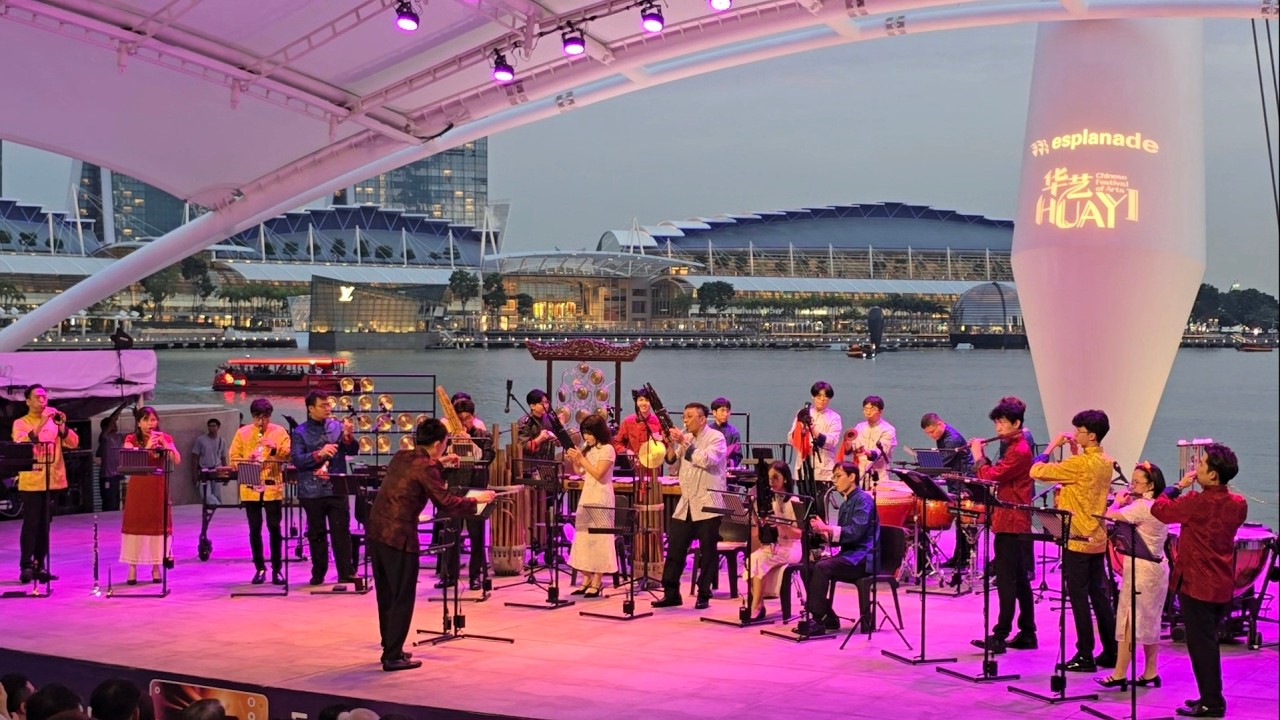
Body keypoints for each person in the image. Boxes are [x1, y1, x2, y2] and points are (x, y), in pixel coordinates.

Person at [367, 418, 495, 672]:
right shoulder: (426, 467)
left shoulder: (402, 455)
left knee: (387, 594)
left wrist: (441, 462)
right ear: (439, 443)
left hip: (377, 532)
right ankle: (392, 657)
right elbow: (446, 502)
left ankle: (390, 646)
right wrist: (477, 499)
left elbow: (420, 467)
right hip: (399, 536)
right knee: (402, 595)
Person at [1150, 443, 1248, 718]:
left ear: (1214, 474)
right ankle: (1209, 696)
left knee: (1201, 647)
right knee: (1208, 643)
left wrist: (1177, 486)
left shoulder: (1197, 502)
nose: (1196, 469)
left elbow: (1160, 509)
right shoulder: (1239, 504)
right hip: (1221, 583)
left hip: (1196, 584)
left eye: (1202, 465)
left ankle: (1212, 703)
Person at [1030, 409, 1117, 671]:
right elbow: (1082, 482)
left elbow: (1037, 470)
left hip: (1076, 537)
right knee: (1098, 595)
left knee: (1078, 597)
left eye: (1079, 431)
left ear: (1091, 435)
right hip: (1097, 537)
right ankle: (1111, 651)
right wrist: (1075, 452)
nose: (1075, 434)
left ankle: (1085, 654)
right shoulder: (1105, 460)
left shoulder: (1079, 464)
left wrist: (1053, 446)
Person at [968, 397, 1036, 654]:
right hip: (1009, 520)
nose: (998, 428)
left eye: (1003, 423)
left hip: (1012, 521)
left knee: (1007, 580)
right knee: (1018, 579)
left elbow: (990, 478)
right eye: (996, 423)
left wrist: (978, 456)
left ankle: (1000, 635)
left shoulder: (1019, 451)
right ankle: (1028, 632)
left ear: (1016, 423)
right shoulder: (1011, 446)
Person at [1096, 461, 1170, 691]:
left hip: (1141, 569)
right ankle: (1150, 671)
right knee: (1150, 619)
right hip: (1157, 568)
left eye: (1137, 481)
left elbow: (1107, 518)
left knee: (1129, 619)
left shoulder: (1141, 507)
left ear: (1150, 484)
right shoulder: (1160, 504)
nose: (1132, 484)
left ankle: (1119, 673)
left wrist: (1117, 502)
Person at [652, 402, 728, 610]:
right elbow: (672, 463)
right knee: (675, 548)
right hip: (686, 503)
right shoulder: (687, 437)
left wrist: (683, 441)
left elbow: (707, 459)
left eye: (689, 416)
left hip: (708, 503)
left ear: (702, 419)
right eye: (684, 416)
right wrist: (669, 444)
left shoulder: (716, 437)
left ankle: (704, 593)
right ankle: (671, 592)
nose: (685, 420)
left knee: (707, 551)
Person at [794, 460, 878, 636]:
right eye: (833, 476)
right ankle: (827, 617)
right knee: (806, 567)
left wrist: (828, 529)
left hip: (863, 558)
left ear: (852, 477)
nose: (834, 480)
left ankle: (816, 620)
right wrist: (823, 533)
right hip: (849, 555)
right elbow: (842, 538)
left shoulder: (863, 500)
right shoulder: (846, 503)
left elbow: (855, 532)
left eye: (838, 476)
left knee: (823, 567)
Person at [10, 384, 79, 583]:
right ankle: (26, 565)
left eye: (44, 397)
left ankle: (40, 564)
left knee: (45, 525)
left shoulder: (54, 421)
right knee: (31, 522)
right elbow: (21, 444)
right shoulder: (20, 423)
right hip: (32, 481)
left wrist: (62, 427)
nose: (42, 401)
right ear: (28, 401)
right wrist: (40, 423)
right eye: (38, 397)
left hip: (53, 480)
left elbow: (73, 443)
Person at [290, 390, 360, 586]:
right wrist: (319, 454)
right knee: (316, 532)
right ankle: (318, 572)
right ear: (310, 408)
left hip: (336, 486)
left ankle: (346, 571)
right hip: (311, 490)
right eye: (323, 405)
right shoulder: (300, 432)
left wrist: (348, 438)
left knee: (341, 531)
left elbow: (353, 450)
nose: (328, 408)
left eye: (329, 404)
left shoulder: (337, 426)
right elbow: (297, 460)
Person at [229, 398, 292, 585]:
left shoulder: (279, 432)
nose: (260, 422)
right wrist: (247, 458)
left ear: (269, 416)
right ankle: (259, 567)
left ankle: (277, 569)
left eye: (264, 418)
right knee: (254, 528)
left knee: (274, 527)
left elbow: (288, 454)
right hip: (250, 484)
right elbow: (233, 459)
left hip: (272, 485)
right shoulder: (243, 433)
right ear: (252, 416)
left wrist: (275, 449)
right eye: (257, 418)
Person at [119, 406, 180, 585]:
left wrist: (165, 445)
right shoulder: (130, 439)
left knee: (156, 525)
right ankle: (132, 567)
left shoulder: (165, 438)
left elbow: (177, 459)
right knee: (135, 523)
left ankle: (156, 566)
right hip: (139, 487)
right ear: (138, 422)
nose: (150, 424)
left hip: (158, 486)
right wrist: (147, 447)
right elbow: (131, 462)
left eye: (153, 420)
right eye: (145, 420)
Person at [440, 396, 492, 591]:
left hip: (476, 489)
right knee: (450, 533)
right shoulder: (447, 438)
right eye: (460, 419)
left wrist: (470, 443)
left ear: (474, 417)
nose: (464, 423)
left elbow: (487, 459)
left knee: (476, 535)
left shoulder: (483, 436)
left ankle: (475, 576)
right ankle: (449, 575)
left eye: (467, 418)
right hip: (454, 489)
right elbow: (440, 464)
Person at [566, 414, 618, 597]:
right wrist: (575, 459)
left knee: (599, 538)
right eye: (584, 433)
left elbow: (598, 474)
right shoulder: (586, 449)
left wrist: (582, 458)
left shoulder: (608, 449)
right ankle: (585, 577)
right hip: (587, 495)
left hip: (601, 497)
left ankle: (597, 579)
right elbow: (580, 472)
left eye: (589, 433)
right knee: (583, 537)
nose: (586, 437)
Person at [744, 460, 802, 620]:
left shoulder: (793, 501)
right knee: (751, 560)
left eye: (776, 477)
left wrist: (780, 524)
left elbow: (798, 534)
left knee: (759, 560)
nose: (772, 482)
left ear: (785, 479)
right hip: (774, 546)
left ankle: (755, 607)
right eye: (769, 478)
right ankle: (759, 604)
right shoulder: (771, 500)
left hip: (792, 548)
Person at [920, 413, 973, 569]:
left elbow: (941, 464)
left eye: (932, 432)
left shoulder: (952, 440)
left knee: (965, 522)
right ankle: (959, 557)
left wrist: (921, 473)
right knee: (959, 523)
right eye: (928, 433)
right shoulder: (942, 437)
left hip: (964, 483)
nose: (931, 436)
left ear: (940, 424)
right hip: (955, 481)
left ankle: (964, 558)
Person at [789, 381, 841, 486]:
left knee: (821, 502)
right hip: (803, 469)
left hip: (823, 470)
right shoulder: (803, 413)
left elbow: (833, 441)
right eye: (819, 396)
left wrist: (814, 430)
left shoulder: (834, 417)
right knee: (804, 501)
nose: (823, 399)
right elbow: (791, 439)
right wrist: (800, 426)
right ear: (813, 396)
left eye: (826, 396)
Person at [612, 388, 664, 476]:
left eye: (647, 400)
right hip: (633, 468)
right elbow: (617, 443)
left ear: (651, 402)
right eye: (640, 400)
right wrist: (626, 451)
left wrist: (660, 444)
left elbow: (665, 447)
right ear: (636, 402)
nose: (643, 403)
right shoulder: (628, 421)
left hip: (652, 470)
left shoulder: (658, 422)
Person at [848, 395, 896, 487]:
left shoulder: (888, 429)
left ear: (880, 411)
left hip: (879, 475)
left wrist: (866, 452)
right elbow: (851, 449)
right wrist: (848, 445)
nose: (868, 412)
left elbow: (881, 452)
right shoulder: (859, 427)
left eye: (872, 409)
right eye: (865, 409)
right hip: (861, 474)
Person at [95, 401, 129, 512]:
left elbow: (135, 434)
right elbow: (111, 420)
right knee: (110, 505)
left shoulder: (119, 437)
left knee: (120, 505)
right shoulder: (104, 438)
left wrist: (137, 416)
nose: (115, 425)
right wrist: (121, 407)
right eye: (113, 424)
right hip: (108, 477)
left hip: (119, 476)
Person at [190, 418, 227, 506]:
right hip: (204, 471)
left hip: (217, 470)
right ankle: (219, 506)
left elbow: (223, 458)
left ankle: (217, 511)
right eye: (209, 426)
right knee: (206, 495)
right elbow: (195, 458)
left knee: (217, 494)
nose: (211, 428)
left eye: (214, 426)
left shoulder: (222, 441)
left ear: (218, 427)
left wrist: (226, 474)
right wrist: (194, 474)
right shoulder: (201, 440)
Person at [709, 397, 743, 468]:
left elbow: (738, 455)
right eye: (722, 411)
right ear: (714, 412)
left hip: (726, 469)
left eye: (727, 411)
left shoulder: (734, 432)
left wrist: (729, 461)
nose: (725, 414)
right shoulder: (708, 430)